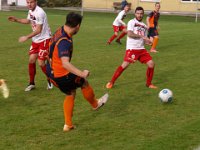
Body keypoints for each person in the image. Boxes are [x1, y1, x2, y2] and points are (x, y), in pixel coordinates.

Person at [47, 12, 109, 132]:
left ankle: (68, 125)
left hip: (52, 73)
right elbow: (65, 63)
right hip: (62, 75)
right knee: (83, 82)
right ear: (78, 26)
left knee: (71, 93)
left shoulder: (60, 31)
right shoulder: (64, 41)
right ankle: (95, 104)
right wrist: (82, 73)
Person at [106, 6, 157, 89]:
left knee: (151, 64)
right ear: (135, 14)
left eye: (141, 13)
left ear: (143, 14)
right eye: (138, 13)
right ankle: (111, 82)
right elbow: (130, 34)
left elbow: (143, 39)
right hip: (132, 48)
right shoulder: (131, 22)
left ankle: (149, 84)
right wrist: (142, 37)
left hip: (141, 49)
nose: (139, 15)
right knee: (124, 65)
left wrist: (147, 42)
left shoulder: (144, 26)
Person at [8, 0, 53, 91]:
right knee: (31, 60)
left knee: (41, 62)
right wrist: (17, 20)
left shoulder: (40, 12)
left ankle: (50, 80)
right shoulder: (31, 10)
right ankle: (31, 83)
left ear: (36, 1)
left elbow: (38, 30)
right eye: (27, 2)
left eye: (31, 2)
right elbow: (28, 21)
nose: (29, 4)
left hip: (44, 39)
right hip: (36, 40)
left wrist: (26, 37)